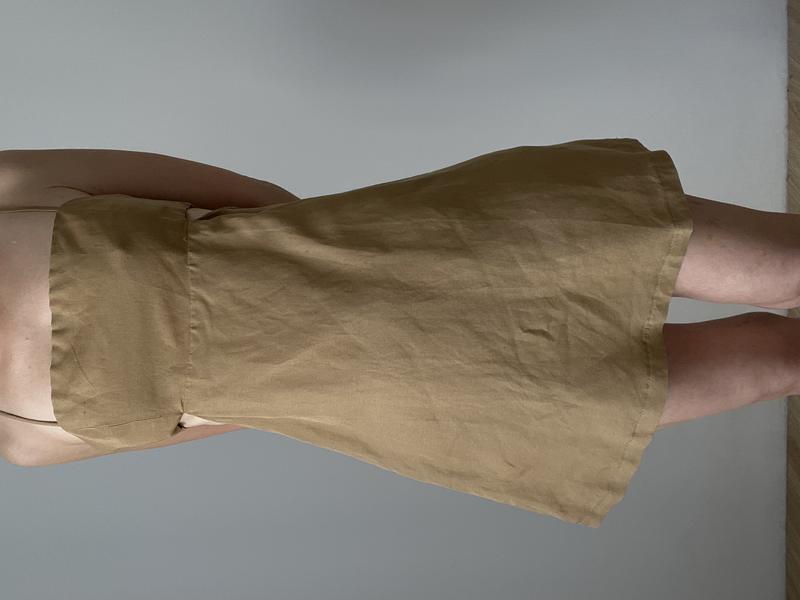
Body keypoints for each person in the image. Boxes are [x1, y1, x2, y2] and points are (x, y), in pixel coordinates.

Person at [0, 138, 795, 527]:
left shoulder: (26, 435)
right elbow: (247, 200)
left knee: (783, 307)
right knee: (782, 333)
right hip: (424, 322)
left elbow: (242, 404)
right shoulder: (23, 438)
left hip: (425, 327)